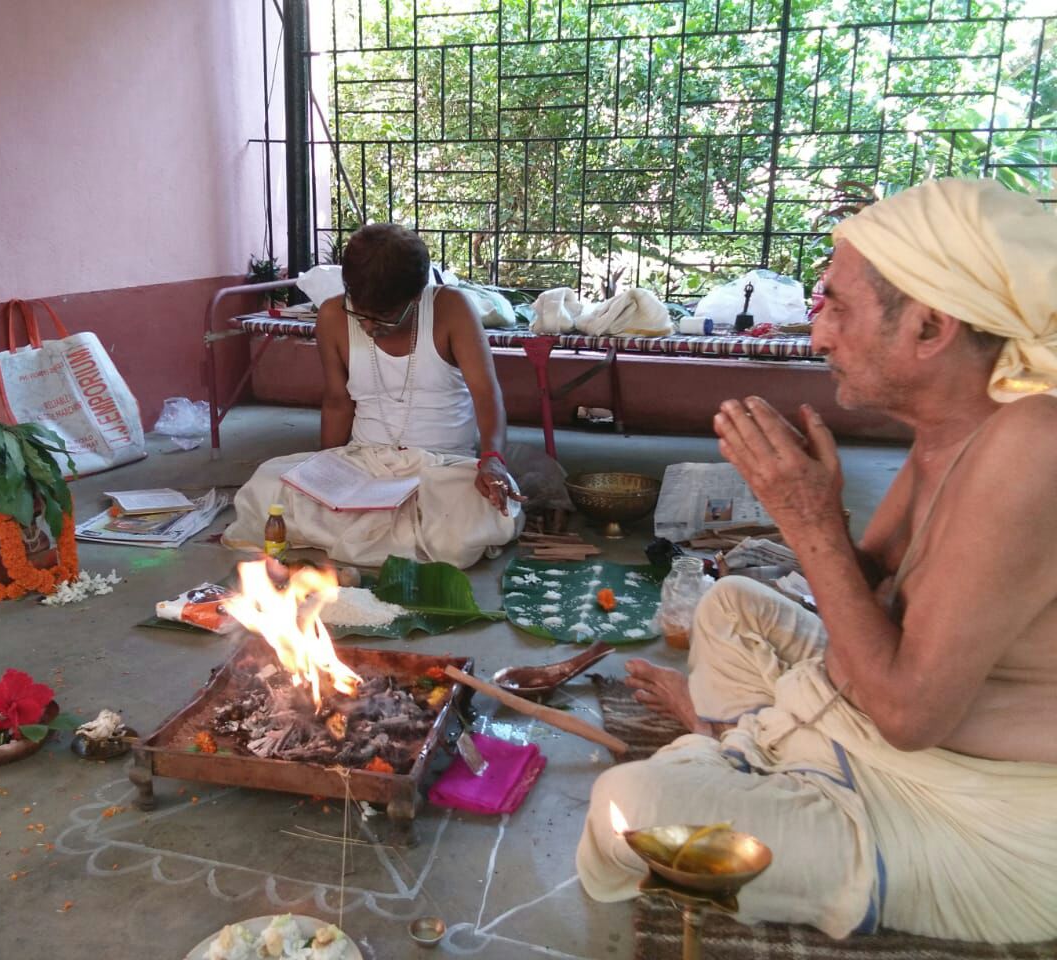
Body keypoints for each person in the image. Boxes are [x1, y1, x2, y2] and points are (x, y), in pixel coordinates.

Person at [576, 179, 1057, 943]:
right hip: (863, 720)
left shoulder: (1032, 444)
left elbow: (908, 715)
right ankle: (738, 745)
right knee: (728, 606)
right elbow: (871, 598)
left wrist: (809, 523)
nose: (818, 336)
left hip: (971, 815)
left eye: (837, 307)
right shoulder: (948, 430)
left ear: (930, 327)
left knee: (626, 808)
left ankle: (725, 745)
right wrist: (820, 513)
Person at [223, 224, 524, 567]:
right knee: (266, 486)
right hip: (364, 461)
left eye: (383, 317)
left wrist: (492, 459)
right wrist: (324, 468)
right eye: (359, 311)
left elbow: (486, 394)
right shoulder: (333, 315)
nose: (367, 326)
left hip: (443, 466)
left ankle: (351, 536)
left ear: (416, 297)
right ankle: (385, 537)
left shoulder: (451, 308)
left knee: (477, 512)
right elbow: (338, 401)